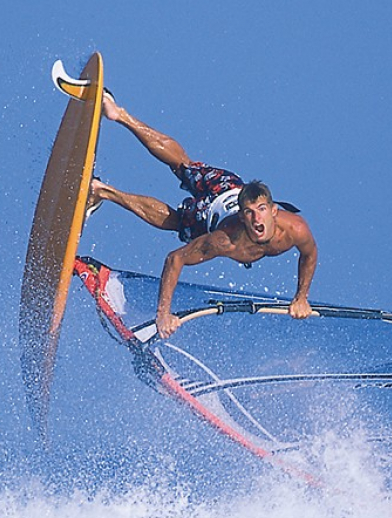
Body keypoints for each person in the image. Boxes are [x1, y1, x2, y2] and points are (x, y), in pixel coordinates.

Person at [86, 91, 318, 339]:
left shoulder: (296, 229)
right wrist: (163, 313)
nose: (256, 219)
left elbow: (310, 253)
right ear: (241, 217)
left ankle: (118, 118)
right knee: (176, 218)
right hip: (209, 212)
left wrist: (301, 297)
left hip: (229, 185)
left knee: (184, 165)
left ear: (274, 211)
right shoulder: (225, 240)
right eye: (249, 214)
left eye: (262, 211)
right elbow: (175, 260)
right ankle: (104, 188)